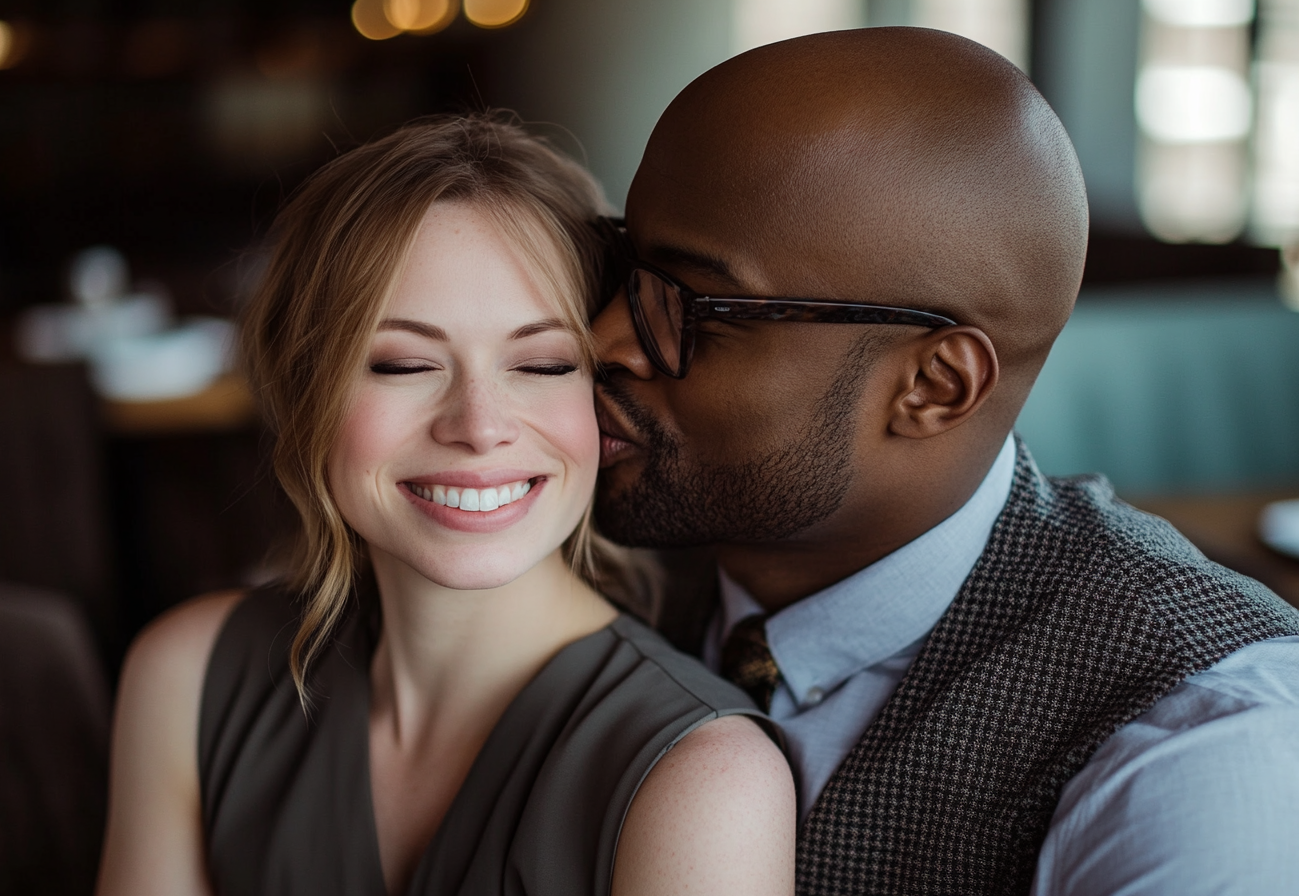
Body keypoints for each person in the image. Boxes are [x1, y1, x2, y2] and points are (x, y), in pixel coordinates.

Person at [591, 27, 1299, 896]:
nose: (604, 339)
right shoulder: (581, 570)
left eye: (693, 307)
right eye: (619, 265)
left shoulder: (1199, 752)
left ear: (934, 385)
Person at [95, 113, 795, 896]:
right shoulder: (186, 679)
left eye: (543, 362)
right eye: (402, 363)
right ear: (304, 390)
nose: (478, 426)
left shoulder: (706, 783)